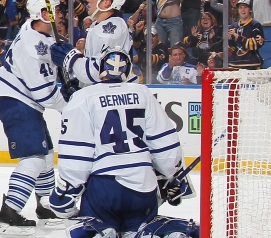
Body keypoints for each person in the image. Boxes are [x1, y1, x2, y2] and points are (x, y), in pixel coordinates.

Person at [46, 47, 198, 238]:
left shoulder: (83, 97)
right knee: (139, 224)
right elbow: (165, 144)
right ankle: (151, 231)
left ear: (101, 69)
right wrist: (173, 177)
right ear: (127, 70)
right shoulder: (143, 93)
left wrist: (66, 191)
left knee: (85, 224)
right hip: (143, 188)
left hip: (104, 189)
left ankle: (99, 230)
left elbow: (77, 153)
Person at [0, 0, 65, 235]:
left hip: (23, 104)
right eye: (56, 11)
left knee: (45, 155)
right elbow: (44, 93)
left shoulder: (34, 31)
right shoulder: (34, 49)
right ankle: (9, 213)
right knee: (33, 158)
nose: (61, 15)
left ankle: (45, 206)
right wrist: (70, 109)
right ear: (43, 15)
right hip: (19, 104)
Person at [50, 0, 135, 87]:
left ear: (106, 2)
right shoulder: (101, 24)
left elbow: (98, 71)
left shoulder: (109, 29)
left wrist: (70, 58)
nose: (88, 0)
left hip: (110, 92)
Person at [227, 0, 264, 70]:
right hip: (234, 63)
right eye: (240, 7)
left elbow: (256, 44)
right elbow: (231, 48)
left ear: (250, 10)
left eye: (245, 7)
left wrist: (238, 37)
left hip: (251, 63)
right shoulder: (233, 26)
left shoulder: (255, 25)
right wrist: (229, 40)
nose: (242, 10)